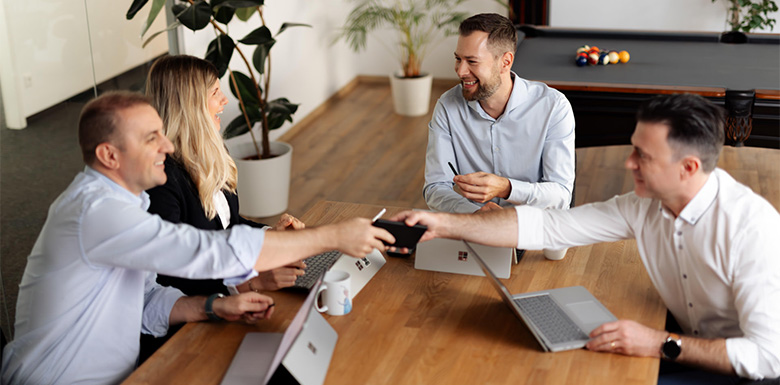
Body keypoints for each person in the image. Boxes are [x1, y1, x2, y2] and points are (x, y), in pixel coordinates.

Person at [0, 91, 393, 384]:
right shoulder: (95, 212)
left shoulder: (128, 204)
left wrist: (212, 306)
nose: (168, 146)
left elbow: (146, 299)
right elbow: (204, 251)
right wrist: (332, 236)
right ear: (109, 156)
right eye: (151, 138)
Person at [395, 94, 780, 383]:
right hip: (682, 342)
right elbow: (548, 226)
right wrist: (443, 224)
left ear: (689, 168)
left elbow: (768, 356)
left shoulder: (751, 229)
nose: (628, 163)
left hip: (741, 370)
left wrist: (656, 343)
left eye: (642, 156)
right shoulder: (643, 206)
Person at [138, 55, 308, 360]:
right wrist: (249, 281)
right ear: (190, 105)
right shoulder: (162, 181)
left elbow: (229, 226)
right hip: (187, 328)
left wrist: (271, 235)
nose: (225, 100)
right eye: (216, 92)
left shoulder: (211, 150)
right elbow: (170, 277)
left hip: (229, 302)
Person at [423, 13, 575, 215]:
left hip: (534, 224)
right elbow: (435, 187)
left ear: (505, 62)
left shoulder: (553, 107)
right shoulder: (447, 106)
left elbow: (561, 195)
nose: (460, 71)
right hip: (473, 224)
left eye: (472, 61)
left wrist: (507, 188)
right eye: (458, 59)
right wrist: (475, 212)